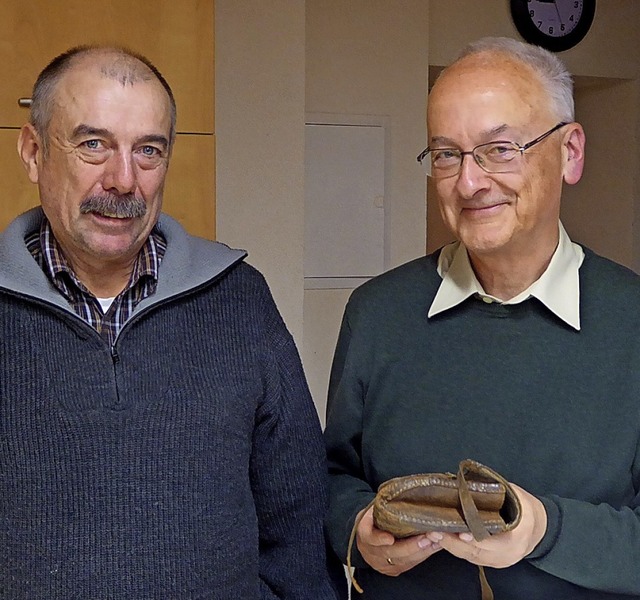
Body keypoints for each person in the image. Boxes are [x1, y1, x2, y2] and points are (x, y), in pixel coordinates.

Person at [0, 45, 344, 599]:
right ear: (34, 151)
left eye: (149, 151)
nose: (123, 180)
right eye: (93, 145)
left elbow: (298, 511)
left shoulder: (239, 299)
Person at [324, 36, 640, 599]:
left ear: (570, 153)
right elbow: (329, 477)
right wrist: (358, 528)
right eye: (447, 154)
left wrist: (543, 529)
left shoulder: (631, 323)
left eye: (501, 149)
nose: (469, 183)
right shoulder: (377, 315)